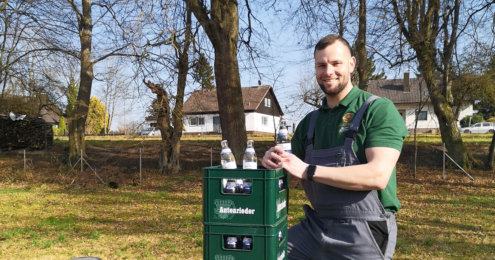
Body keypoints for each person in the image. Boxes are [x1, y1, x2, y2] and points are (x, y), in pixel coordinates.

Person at [262, 34, 408, 260]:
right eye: (321, 65)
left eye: (335, 63)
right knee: (267, 254)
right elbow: (287, 169)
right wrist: (272, 161)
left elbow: (377, 175)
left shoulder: (378, 110)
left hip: (363, 231)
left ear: (351, 64)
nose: (328, 71)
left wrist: (309, 170)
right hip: (315, 226)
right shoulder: (309, 123)